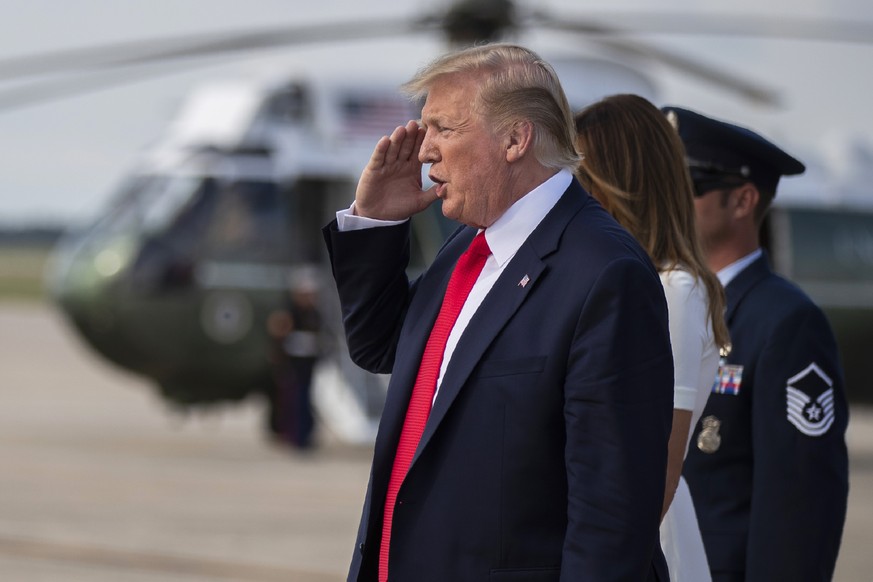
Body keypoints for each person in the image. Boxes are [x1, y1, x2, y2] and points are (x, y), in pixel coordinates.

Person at [323, 44, 675, 581]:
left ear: (515, 139)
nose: (424, 152)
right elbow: (381, 347)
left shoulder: (605, 273)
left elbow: (611, 513)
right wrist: (376, 222)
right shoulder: (466, 248)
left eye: (443, 128)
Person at [662, 105, 850, 582]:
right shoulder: (667, 300)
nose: (670, 199)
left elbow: (799, 503)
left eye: (690, 185)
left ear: (743, 201)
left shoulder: (786, 322)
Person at [574, 94, 730, 582]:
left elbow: (662, 460)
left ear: (619, 183)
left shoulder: (675, 289)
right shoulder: (620, 276)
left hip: (641, 548)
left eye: (582, 177)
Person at [266, 265, 324, 449]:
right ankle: (295, 437)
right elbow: (278, 331)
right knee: (293, 398)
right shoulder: (289, 311)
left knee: (305, 398)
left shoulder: (314, 312)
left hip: (308, 362)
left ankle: (305, 436)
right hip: (293, 363)